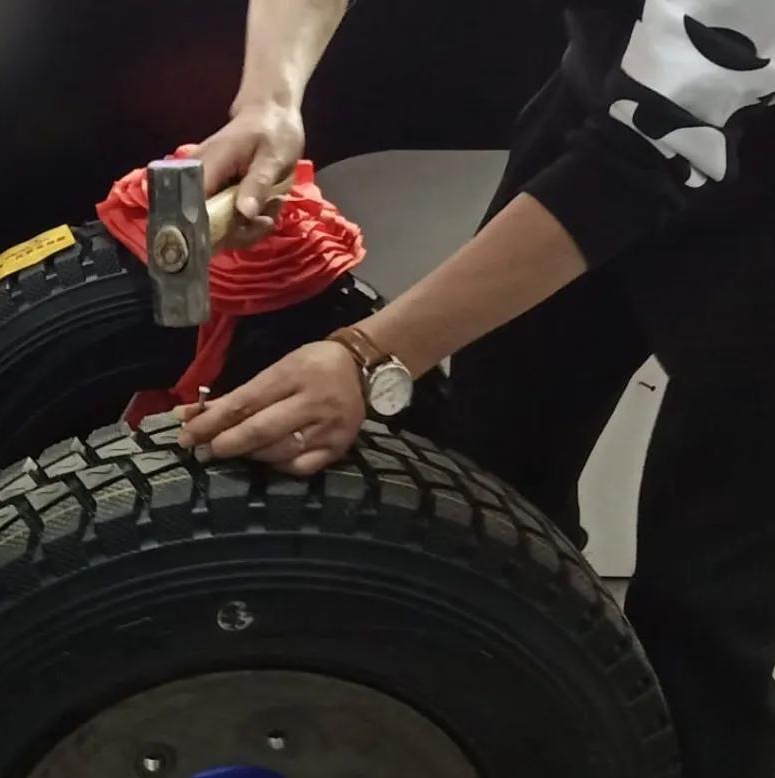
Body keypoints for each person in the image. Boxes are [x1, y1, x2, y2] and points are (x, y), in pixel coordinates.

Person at [177, 1, 775, 776]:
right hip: (604, 111)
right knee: (493, 492)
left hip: (724, 178)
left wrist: (369, 356)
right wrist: (270, 100)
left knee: (706, 605)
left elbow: (644, 158)